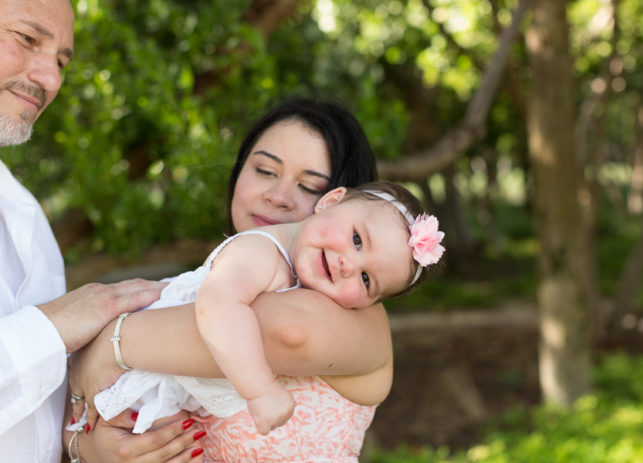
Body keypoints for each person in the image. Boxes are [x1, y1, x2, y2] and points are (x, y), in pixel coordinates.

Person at [67, 98, 406, 462]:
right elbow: (79, 411)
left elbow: (287, 331)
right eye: (264, 170)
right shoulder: (189, 289)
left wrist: (110, 345)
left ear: (343, 201)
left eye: (309, 186)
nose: (277, 197)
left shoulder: (361, 310)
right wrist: (85, 448)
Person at [71, 181, 444, 438]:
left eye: (366, 281)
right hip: (136, 381)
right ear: (330, 201)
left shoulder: (308, 279)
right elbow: (218, 305)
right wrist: (260, 389)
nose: (349, 264)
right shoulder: (261, 252)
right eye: (357, 239)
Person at [0, 0, 207, 461]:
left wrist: (83, 446)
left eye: (60, 61)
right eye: (28, 39)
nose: (50, 79)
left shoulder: (27, 217)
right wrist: (55, 326)